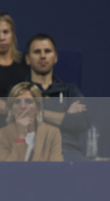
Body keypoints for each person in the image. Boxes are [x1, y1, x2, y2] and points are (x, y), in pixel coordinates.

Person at [25, 33, 90, 161]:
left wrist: (38, 113)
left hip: (69, 153)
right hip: (34, 154)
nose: (43, 56)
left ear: (55, 57)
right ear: (28, 59)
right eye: (37, 52)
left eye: (47, 51)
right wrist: (65, 115)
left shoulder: (70, 90)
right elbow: (18, 122)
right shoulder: (21, 91)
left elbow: (82, 122)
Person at [0, 82, 63, 161]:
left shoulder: (52, 133)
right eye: (17, 102)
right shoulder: (0, 135)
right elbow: (9, 169)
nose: (22, 106)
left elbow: (57, 168)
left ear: (38, 107)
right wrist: (21, 136)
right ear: (11, 108)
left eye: (28, 101)